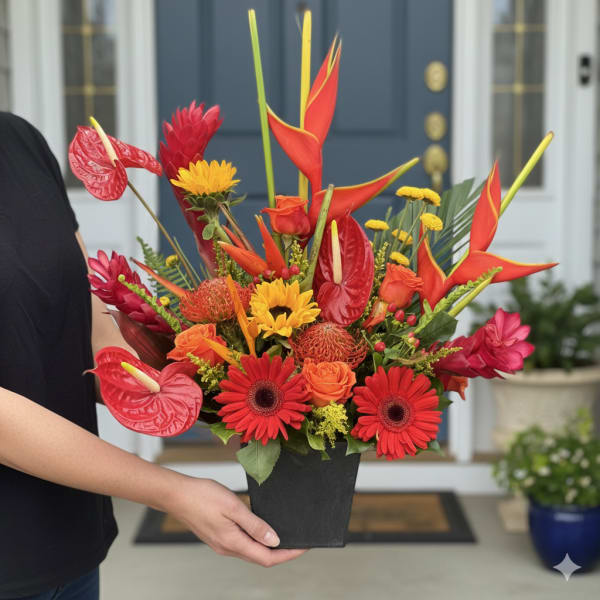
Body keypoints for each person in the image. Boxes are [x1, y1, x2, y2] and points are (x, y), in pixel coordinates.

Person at [0, 112, 304, 599]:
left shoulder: (19, 141)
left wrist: (221, 395)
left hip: (70, 543)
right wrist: (171, 492)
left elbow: (88, 319)